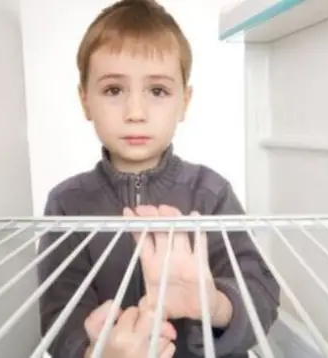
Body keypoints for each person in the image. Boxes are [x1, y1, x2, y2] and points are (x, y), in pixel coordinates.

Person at [36, 0, 281, 357]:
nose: (136, 113)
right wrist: (98, 353)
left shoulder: (211, 192)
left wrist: (212, 304)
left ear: (184, 101)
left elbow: (259, 290)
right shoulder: (66, 203)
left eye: (157, 91)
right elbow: (58, 314)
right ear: (85, 100)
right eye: (114, 90)